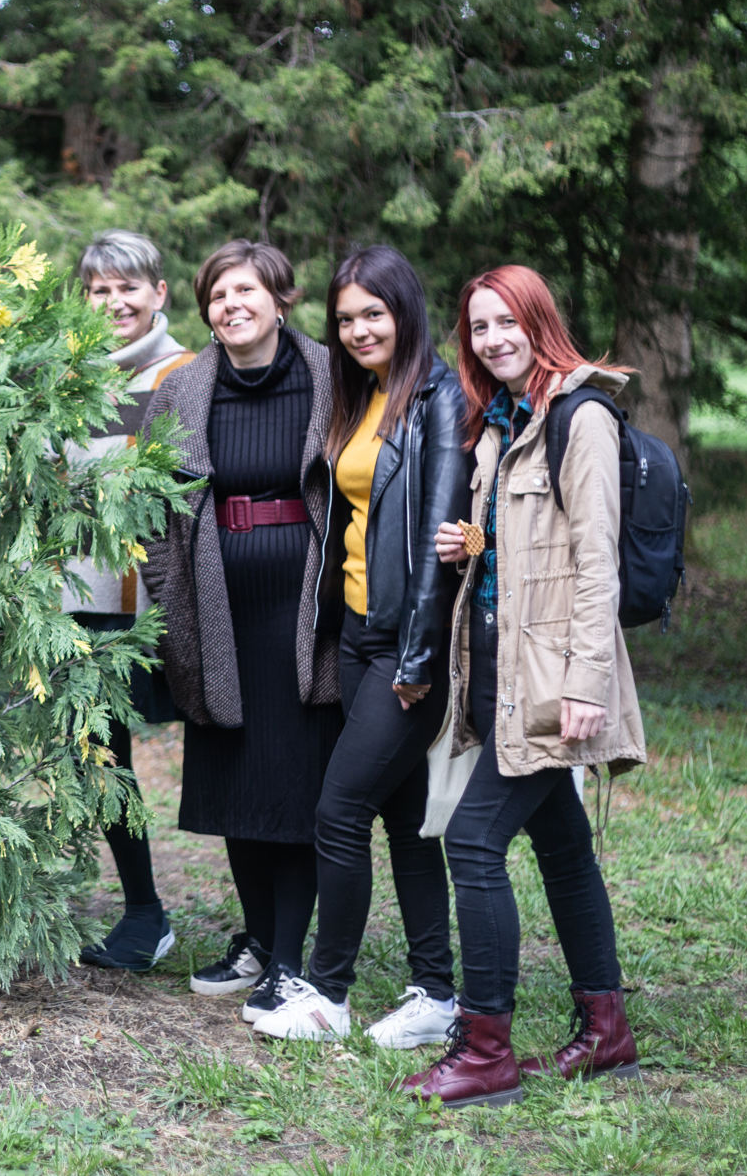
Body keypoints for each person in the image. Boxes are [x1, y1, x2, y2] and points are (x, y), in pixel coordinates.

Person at [403, 265, 647, 1108]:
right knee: (564, 847)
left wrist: (586, 684)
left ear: (540, 321)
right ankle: (605, 1031)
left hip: (550, 679)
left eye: (508, 321)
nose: (493, 338)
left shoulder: (580, 419)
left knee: (472, 843)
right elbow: (522, 547)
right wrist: (469, 545)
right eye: (478, 327)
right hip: (499, 670)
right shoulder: (505, 423)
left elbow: (594, 565)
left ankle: (485, 1049)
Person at [249, 245, 467, 1046]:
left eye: (372, 312)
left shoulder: (439, 397)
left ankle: (329, 994)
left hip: (407, 648)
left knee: (337, 812)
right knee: (405, 821)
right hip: (357, 636)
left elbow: (444, 532)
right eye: (344, 318)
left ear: (404, 310)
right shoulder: (363, 395)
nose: (357, 328)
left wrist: (416, 662)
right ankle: (436, 996)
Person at [137, 239, 342, 1025]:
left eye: (246, 290)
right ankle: (257, 938)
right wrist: (166, 595)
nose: (231, 305)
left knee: (296, 788)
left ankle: (290, 961)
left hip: (305, 617)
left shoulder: (329, 376)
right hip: (214, 613)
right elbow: (154, 506)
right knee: (236, 782)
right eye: (218, 294)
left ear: (281, 298)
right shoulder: (183, 388)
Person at [62, 230, 195, 971]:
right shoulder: (70, 376)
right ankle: (144, 909)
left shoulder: (184, 373)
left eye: (128, 287)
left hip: (157, 601)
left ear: (159, 294)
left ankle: (259, 931)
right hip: (81, 600)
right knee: (102, 757)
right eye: (99, 290)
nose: (115, 302)